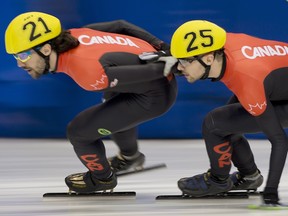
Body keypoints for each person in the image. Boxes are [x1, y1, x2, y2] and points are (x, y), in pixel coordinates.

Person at [5, 12, 177, 193]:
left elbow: (153, 72)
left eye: (23, 55)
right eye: (16, 57)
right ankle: (130, 156)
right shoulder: (76, 33)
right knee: (112, 103)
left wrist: (176, 63)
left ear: (46, 49)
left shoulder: (86, 72)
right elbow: (121, 25)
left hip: (156, 94)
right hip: (146, 79)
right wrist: (162, 46)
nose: (19, 64)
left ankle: (102, 179)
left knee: (79, 132)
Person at [168, 20, 288, 206]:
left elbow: (279, 140)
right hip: (272, 80)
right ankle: (249, 177)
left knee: (215, 123)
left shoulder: (247, 80)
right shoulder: (221, 43)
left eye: (184, 61)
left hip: (261, 81)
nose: (180, 67)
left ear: (208, 59)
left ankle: (218, 181)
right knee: (225, 123)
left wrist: (271, 190)